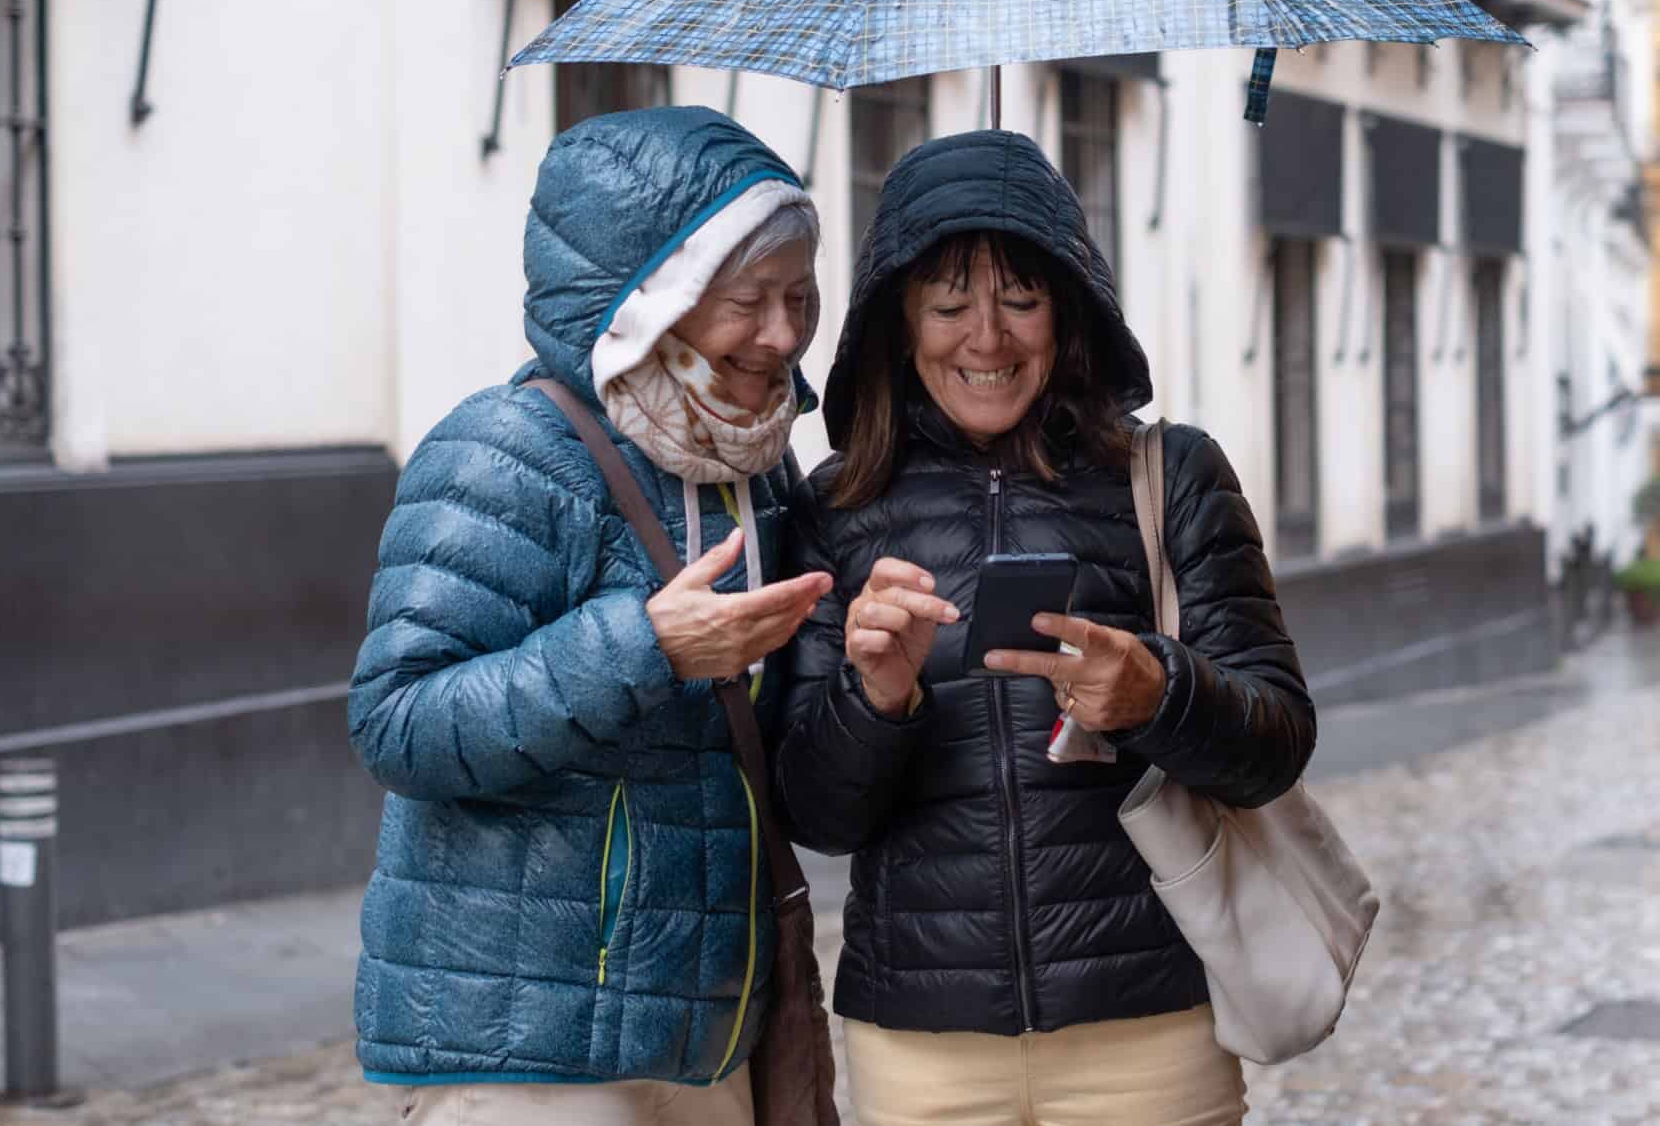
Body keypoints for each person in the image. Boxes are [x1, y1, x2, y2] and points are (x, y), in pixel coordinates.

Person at [772, 130, 1316, 1126]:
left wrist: (1157, 690)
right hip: (922, 1049)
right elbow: (817, 816)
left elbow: (1275, 739)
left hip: (1149, 1034)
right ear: (898, 321)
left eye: (1018, 297)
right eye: (948, 303)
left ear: (1067, 311)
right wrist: (873, 697)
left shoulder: (1171, 475)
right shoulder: (832, 511)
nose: (986, 337)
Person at [347, 106, 833, 1126]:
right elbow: (399, 723)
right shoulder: (504, 449)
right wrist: (645, 645)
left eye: (798, 295)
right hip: (523, 1046)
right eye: (749, 299)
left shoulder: (762, 468)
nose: (783, 333)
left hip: (705, 1034)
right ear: (648, 301)